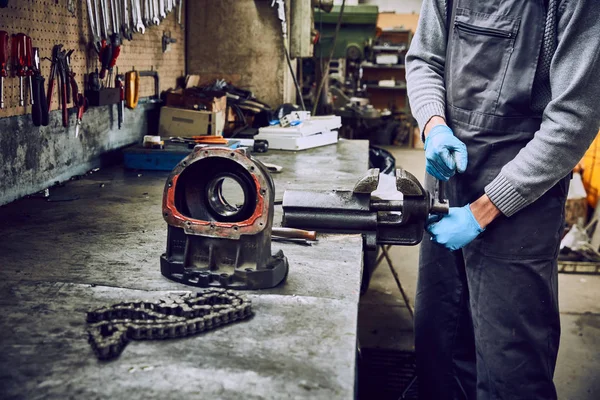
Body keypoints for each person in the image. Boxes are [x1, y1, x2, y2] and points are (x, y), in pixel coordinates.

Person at [405, 0, 600, 399]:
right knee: (439, 341)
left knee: (510, 366)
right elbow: (424, 59)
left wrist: (484, 210)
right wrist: (434, 125)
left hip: (523, 193)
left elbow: (575, 116)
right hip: (448, 173)